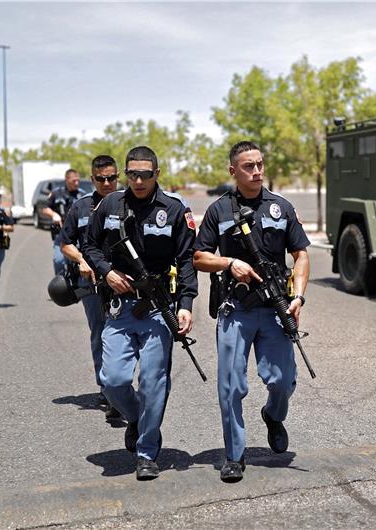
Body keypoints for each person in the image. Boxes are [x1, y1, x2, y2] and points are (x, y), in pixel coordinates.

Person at [193, 140, 310, 483]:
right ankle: (234, 455)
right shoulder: (219, 211)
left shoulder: (281, 207)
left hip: (275, 308)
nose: (257, 171)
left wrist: (298, 297)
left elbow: (300, 254)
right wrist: (230, 263)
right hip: (236, 308)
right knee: (230, 386)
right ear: (233, 171)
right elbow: (199, 257)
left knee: (283, 380)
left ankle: (273, 416)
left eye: (259, 164)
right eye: (248, 166)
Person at [83, 146, 198, 481]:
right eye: (131, 173)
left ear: (157, 174)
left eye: (144, 174)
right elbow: (88, 244)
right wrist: (107, 272)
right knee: (113, 381)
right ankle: (136, 418)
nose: (137, 180)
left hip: (159, 309)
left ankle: (147, 451)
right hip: (120, 307)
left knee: (152, 383)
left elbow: (187, 261)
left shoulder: (174, 208)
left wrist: (186, 305)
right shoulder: (111, 204)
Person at [58, 155, 120, 419]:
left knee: (123, 333)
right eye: (101, 179)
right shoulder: (80, 207)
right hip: (92, 281)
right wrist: (82, 259)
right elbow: (65, 242)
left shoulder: (129, 203)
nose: (106, 183)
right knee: (100, 331)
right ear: (92, 179)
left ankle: (120, 383)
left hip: (122, 280)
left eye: (111, 178)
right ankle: (107, 388)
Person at [43, 168, 82, 275]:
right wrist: (54, 214)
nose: (77, 183)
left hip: (78, 236)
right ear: (67, 180)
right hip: (61, 235)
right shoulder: (56, 193)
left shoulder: (82, 195)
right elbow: (45, 209)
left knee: (78, 263)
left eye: (78, 180)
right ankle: (61, 287)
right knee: (59, 261)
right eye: (74, 181)